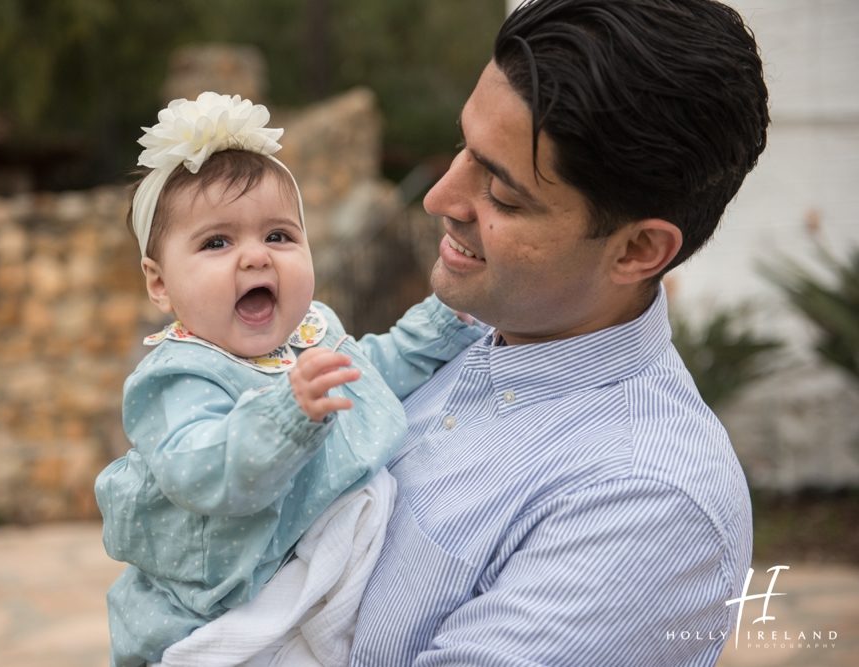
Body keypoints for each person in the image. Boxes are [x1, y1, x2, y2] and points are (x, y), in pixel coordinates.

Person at [349, 0, 770, 665]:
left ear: (637, 251)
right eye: (465, 147)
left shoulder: (645, 501)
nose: (441, 199)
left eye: (504, 196)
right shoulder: (454, 342)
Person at [94, 93, 484, 667]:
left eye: (278, 236)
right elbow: (206, 469)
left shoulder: (310, 329)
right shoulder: (179, 376)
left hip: (302, 574)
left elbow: (366, 372)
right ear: (159, 284)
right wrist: (286, 417)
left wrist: (439, 327)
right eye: (217, 242)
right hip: (223, 610)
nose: (256, 258)